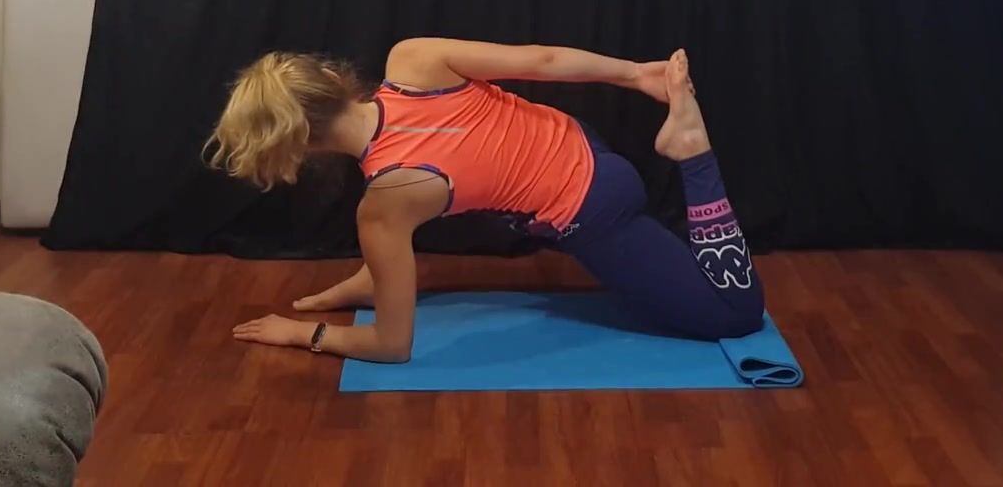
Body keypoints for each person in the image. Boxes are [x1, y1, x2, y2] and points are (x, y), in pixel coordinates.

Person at [208, 41, 764, 362]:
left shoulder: (387, 202)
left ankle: (692, 150)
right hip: (582, 143)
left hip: (594, 213)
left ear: (299, 147)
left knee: (734, 315)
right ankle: (368, 283)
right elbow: (543, 61)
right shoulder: (413, 60)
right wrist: (635, 74)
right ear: (330, 78)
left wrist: (305, 334)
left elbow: (392, 345)